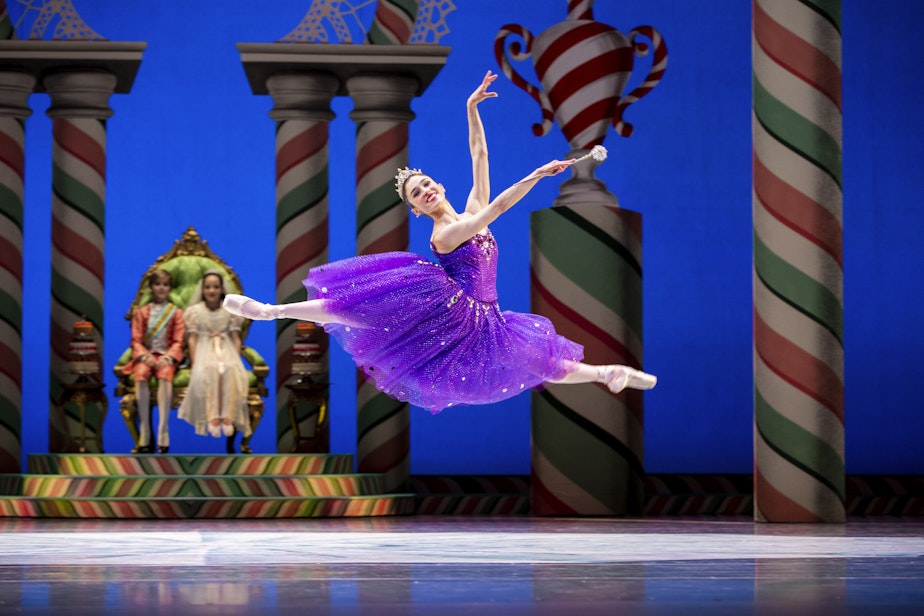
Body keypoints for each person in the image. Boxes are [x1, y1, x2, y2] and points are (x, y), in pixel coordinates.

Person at [224, 70, 656, 413]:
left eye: (426, 184)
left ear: (440, 185)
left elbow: (479, 155)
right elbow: (498, 210)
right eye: (417, 194)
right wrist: (536, 176)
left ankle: (606, 374)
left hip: (487, 316)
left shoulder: (467, 208)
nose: (425, 191)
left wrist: (472, 109)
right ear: (416, 209)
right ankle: (271, 310)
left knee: (538, 361)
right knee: (363, 309)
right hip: (450, 310)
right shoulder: (446, 232)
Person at [178, 271, 252, 441]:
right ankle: (212, 416)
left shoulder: (230, 311)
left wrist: (236, 357)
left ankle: (227, 416)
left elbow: (235, 337)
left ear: (222, 289)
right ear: (203, 290)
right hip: (204, 347)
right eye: (208, 287)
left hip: (225, 347)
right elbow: (192, 339)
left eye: (216, 287)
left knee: (229, 369)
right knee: (209, 368)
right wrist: (193, 363)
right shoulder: (195, 311)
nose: (212, 291)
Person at [122, 268, 185, 453]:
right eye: (157, 284)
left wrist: (168, 357)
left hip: (166, 356)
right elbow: (136, 340)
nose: (161, 288)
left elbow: (179, 341)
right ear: (150, 288)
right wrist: (144, 356)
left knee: (165, 376)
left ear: (170, 288)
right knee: (140, 375)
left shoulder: (176, 313)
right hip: (146, 356)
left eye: (165, 285)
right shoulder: (141, 313)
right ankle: (145, 432)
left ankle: (163, 429)